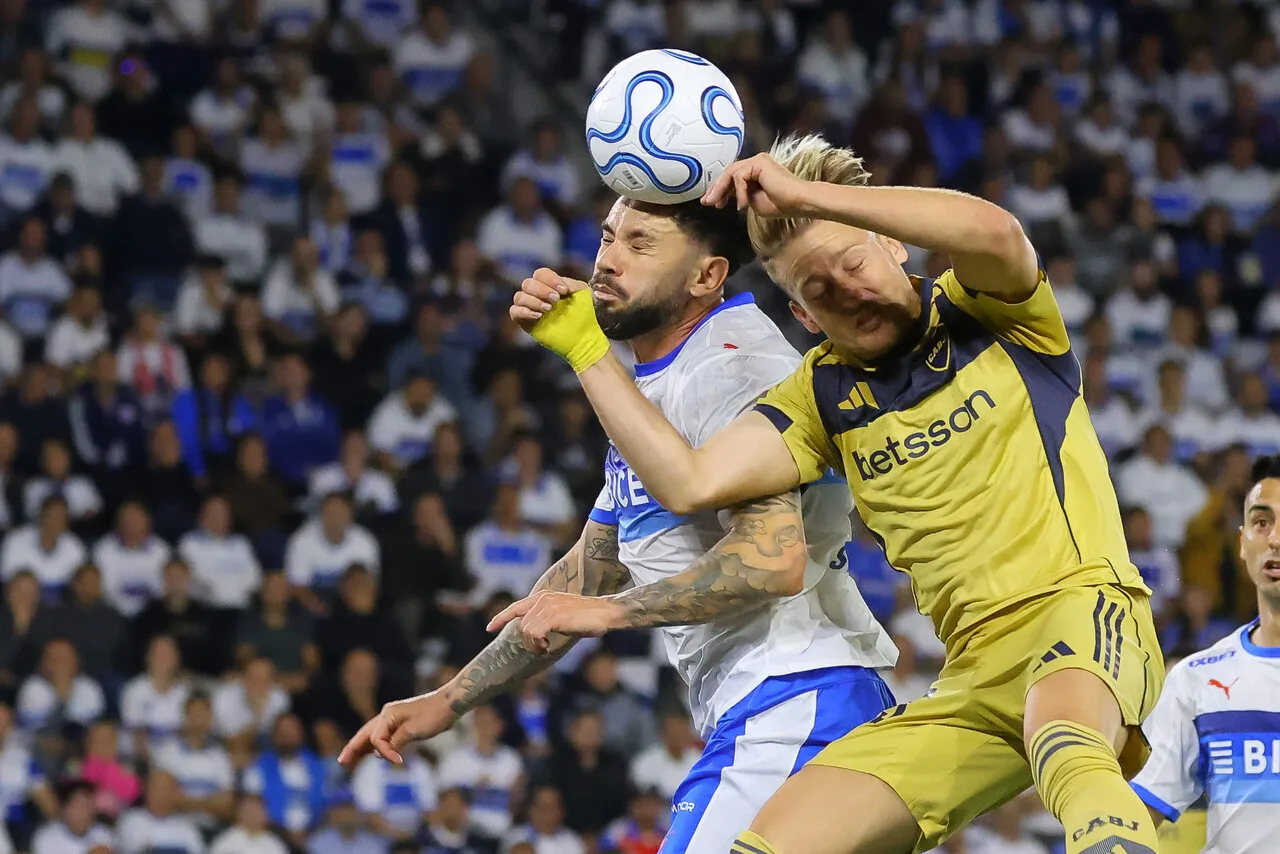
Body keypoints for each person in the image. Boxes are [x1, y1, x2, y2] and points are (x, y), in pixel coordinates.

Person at [507, 137, 1166, 854]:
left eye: (851, 263)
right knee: (768, 845)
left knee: (1065, 740)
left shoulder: (991, 314)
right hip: (969, 684)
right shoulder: (817, 399)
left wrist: (808, 199)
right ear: (806, 318)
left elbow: (997, 233)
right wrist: (588, 351)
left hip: (1079, 611)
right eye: (816, 292)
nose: (847, 292)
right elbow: (687, 481)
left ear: (892, 242)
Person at [341, 184, 897, 854]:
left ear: (707, 275)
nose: (608, 259)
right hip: (786, 706)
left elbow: (770, 558)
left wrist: (606, 616)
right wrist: (448, 700)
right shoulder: (658, 380)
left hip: (798, 704)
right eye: (608, 236)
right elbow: (588, 572)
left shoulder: (733, 367)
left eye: (640, 243)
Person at [1129, 453, 1280, 854]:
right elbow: (1139, 817)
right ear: (1242, 545)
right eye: (1262, 523)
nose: (1276, 540)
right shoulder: (1196, 679)